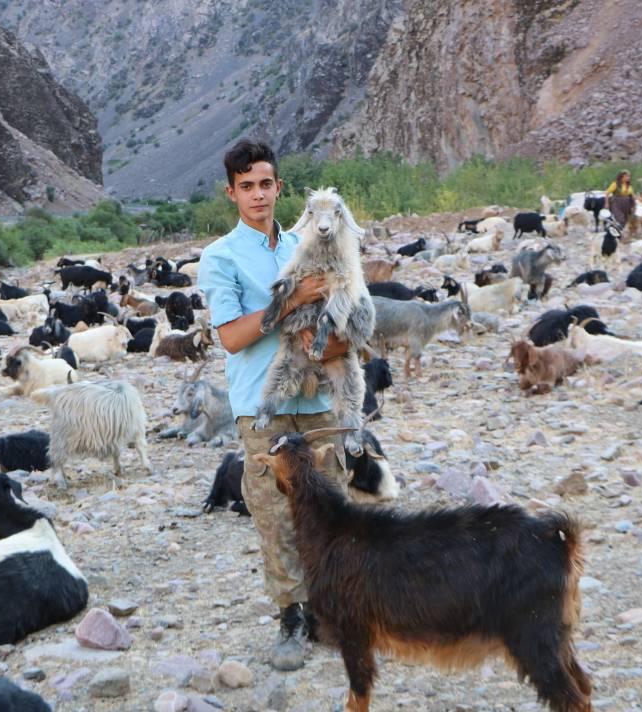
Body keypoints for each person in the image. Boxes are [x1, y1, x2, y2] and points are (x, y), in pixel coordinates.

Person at [197, 139, 351, 672]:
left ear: (279, 188)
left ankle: (330, 609)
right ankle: (291, 615)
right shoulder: (219, 257)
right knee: (274, 511)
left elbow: (341, 312)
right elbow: (233, 337)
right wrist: (291, 299)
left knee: (332, 503)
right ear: (231, 193)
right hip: (259, 400)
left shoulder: (310, 243)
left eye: (266, 184)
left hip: (317, 395)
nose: (258, 195)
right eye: (246, 186)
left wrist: (341, 340)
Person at [605, 170, 636, 235]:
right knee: (620, 218)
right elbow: (607, 193)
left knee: (625, 219)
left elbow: (632, 195)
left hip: (626, 203)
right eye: (627, 176)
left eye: (629, 176)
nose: (628, 178)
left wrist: (635, 203)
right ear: (622, 177)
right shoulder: (615, 184)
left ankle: (619, 233)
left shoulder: (628, 185)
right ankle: (614, 231)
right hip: (617, 203)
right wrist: (606, 203)